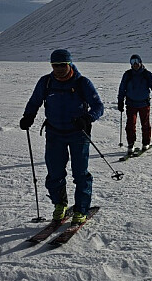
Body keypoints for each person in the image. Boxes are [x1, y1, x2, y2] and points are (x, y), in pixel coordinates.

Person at [19, 49, 104, 225]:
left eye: (62, 65)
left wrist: (87, 118)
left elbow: (98, 106)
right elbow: (34, 102)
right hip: (54, 133)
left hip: (78, 134)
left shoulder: (82, 83)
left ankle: (81, 209)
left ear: (69, 64)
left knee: (80, 174)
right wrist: (28, 116)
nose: (58, 69)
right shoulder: (46, 82)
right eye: (55, 65)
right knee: (54, 173)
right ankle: (60, 204)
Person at [117, 54, 152, 155]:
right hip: (131, 104)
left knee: (145, 124)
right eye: (132, 62)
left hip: (144, 103)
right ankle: (130, 144)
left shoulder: (147, 74)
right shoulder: (127, 75)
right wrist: (120, 101)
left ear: (140, 62)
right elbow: (122, 88)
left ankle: (146, 143)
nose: (135, 64)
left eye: (136, 61)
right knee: (130, 125)